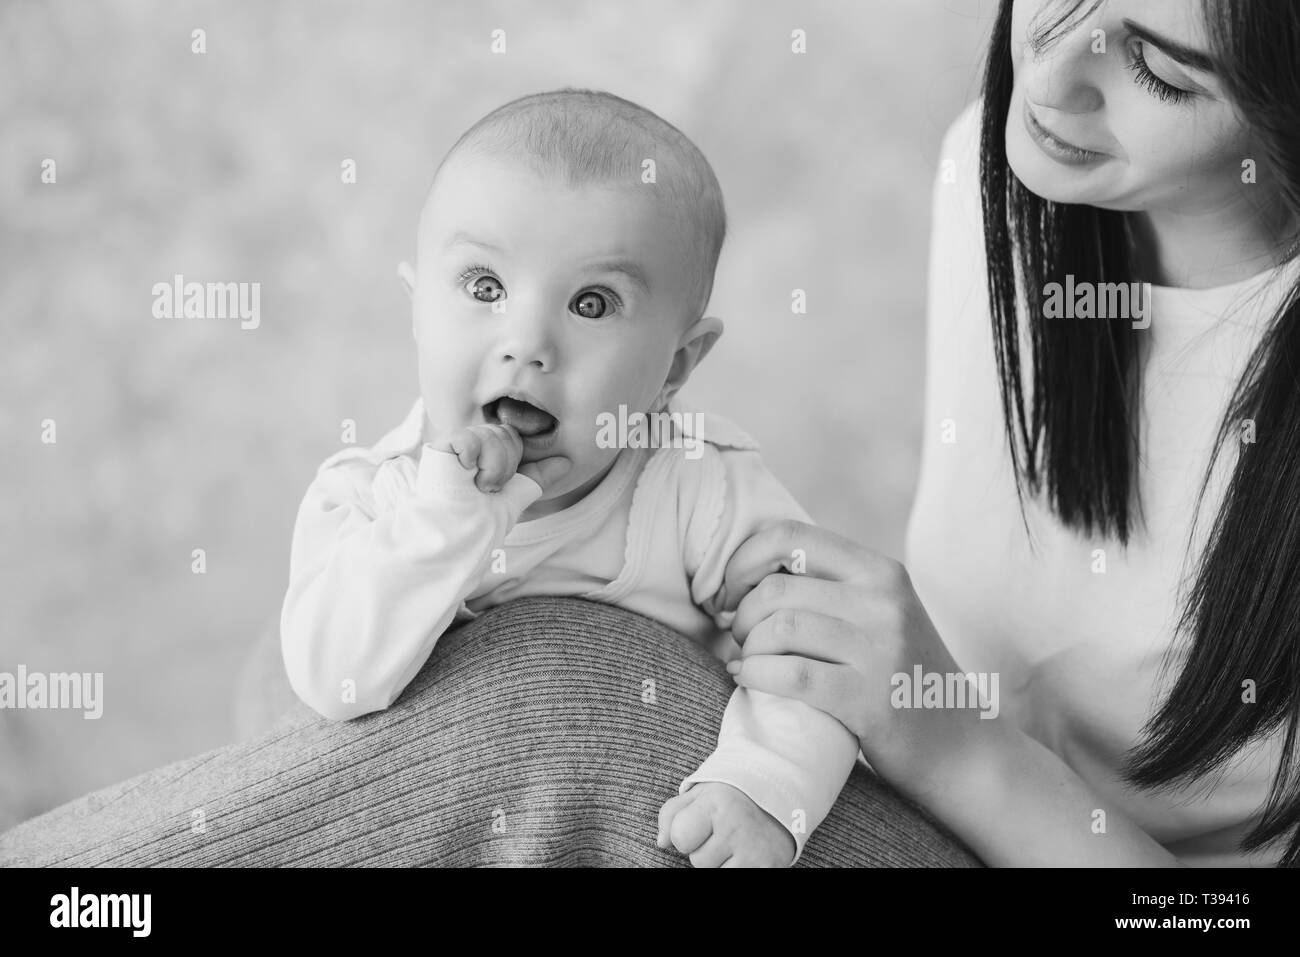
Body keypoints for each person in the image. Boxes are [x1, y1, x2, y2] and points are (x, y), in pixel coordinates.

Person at [279, 88, 860, 867]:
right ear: (417, 310)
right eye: (484, 287)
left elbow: (818, 652)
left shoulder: (698, 484)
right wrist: (445, 514)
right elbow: (335, 683)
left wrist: (760, 784)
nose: (526, 342)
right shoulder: (371, 494)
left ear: (676, 366)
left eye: (592, 302)